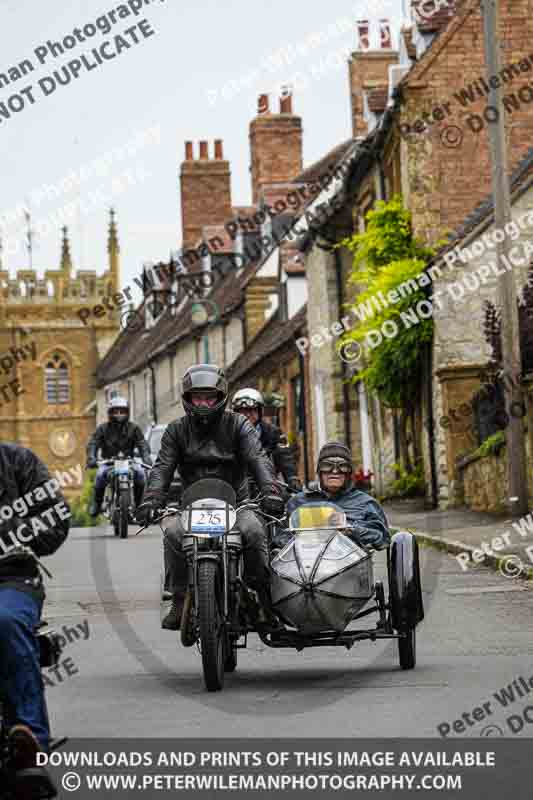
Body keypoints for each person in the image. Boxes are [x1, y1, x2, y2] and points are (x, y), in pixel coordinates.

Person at [137, 364, 284, 630]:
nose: (203, 403)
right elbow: (162, 468)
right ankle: (180, 599)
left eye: (209, 397)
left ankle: (261, 596)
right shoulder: (176, 430)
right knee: (172, 533)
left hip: (238, 503)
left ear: (220, 397)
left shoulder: (238, 424)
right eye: (197, 397)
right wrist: (151, 499)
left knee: (253, 531)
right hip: (193, 506)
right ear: (187, 398)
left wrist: (271, 490)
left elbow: (258, 458)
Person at [0, 442, 70, 773]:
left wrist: (17, 532)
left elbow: (57, 517)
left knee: (6, 621)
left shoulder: (18, 462)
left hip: (10, 577)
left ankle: (33, 744)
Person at [285, 442, 390, 550]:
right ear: (319, 471)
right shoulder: (298, 502)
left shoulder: (366, 503)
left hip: (351, 563)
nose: (335, 471)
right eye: (327, 466)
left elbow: (382, 538)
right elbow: (282, 536)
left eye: (342, 466)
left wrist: (350, 529)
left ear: (349, 473)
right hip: (307, 562)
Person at [86, 396, 152, 517]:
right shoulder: (102, 429)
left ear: (127, 412)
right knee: (99, 476)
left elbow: (142, 443)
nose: (119, 414)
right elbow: (93, 443)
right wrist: (91, 457)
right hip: (108, 462)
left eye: (122, 411)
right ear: (110, 413)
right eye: (116, 411)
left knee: (141, 475)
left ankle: (139, 505)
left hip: (129, 462)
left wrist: (146, 457)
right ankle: (97, 504)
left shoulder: (134, 428)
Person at [231, 388, 302, 493]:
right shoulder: (227, 432)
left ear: (260, 411)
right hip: (234, 487)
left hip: (266, 486)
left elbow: (284, 456)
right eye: (242, 411)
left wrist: (292, 478)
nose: (247, 415)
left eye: (251, 410)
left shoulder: (273, 432)